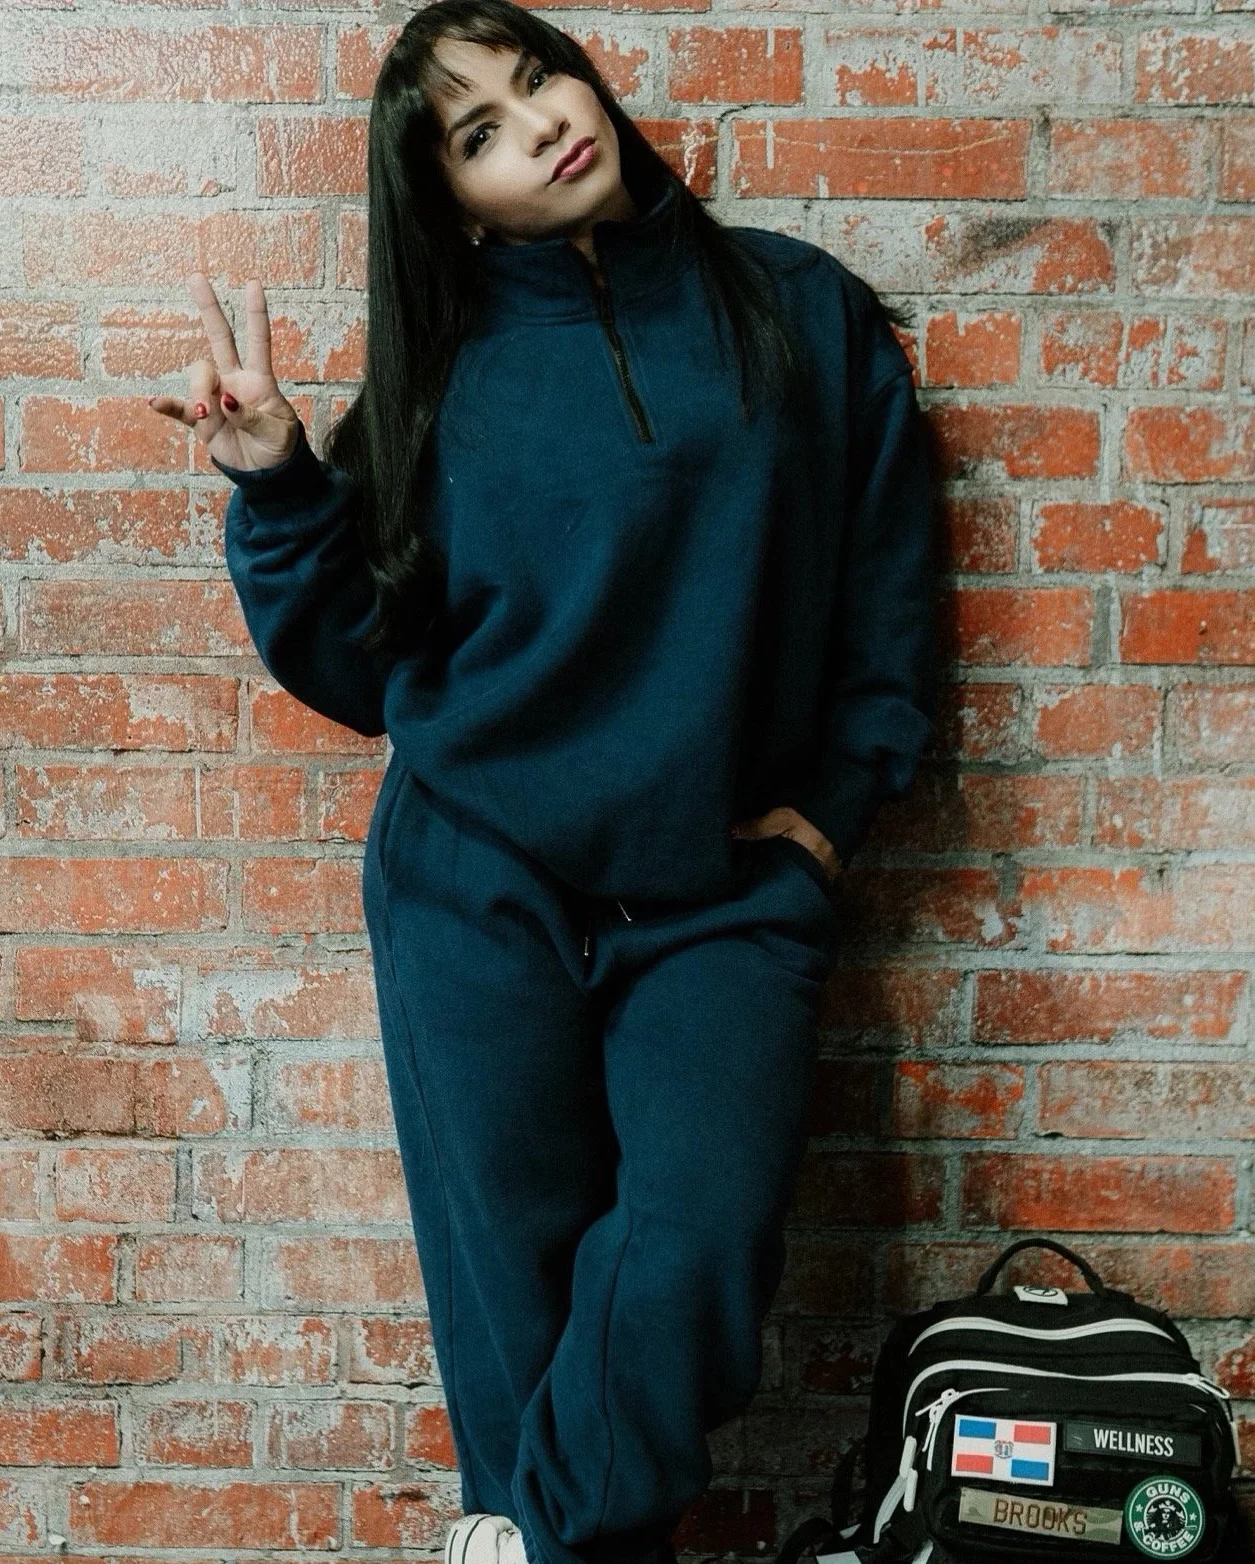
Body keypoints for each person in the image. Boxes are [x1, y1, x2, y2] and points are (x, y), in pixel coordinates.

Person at [149, 4, 937, 1564]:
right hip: (474, 886)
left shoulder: (795, 311)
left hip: (717, 890)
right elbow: (363, 672)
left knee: (692, 1252)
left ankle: (522, 1543)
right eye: (480, 130)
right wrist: (281, 486)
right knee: (509, 1287)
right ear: (453, 199)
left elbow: (889, 601)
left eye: (540, 80)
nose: (541, 126)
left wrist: (826, 826)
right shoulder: (444, 376)